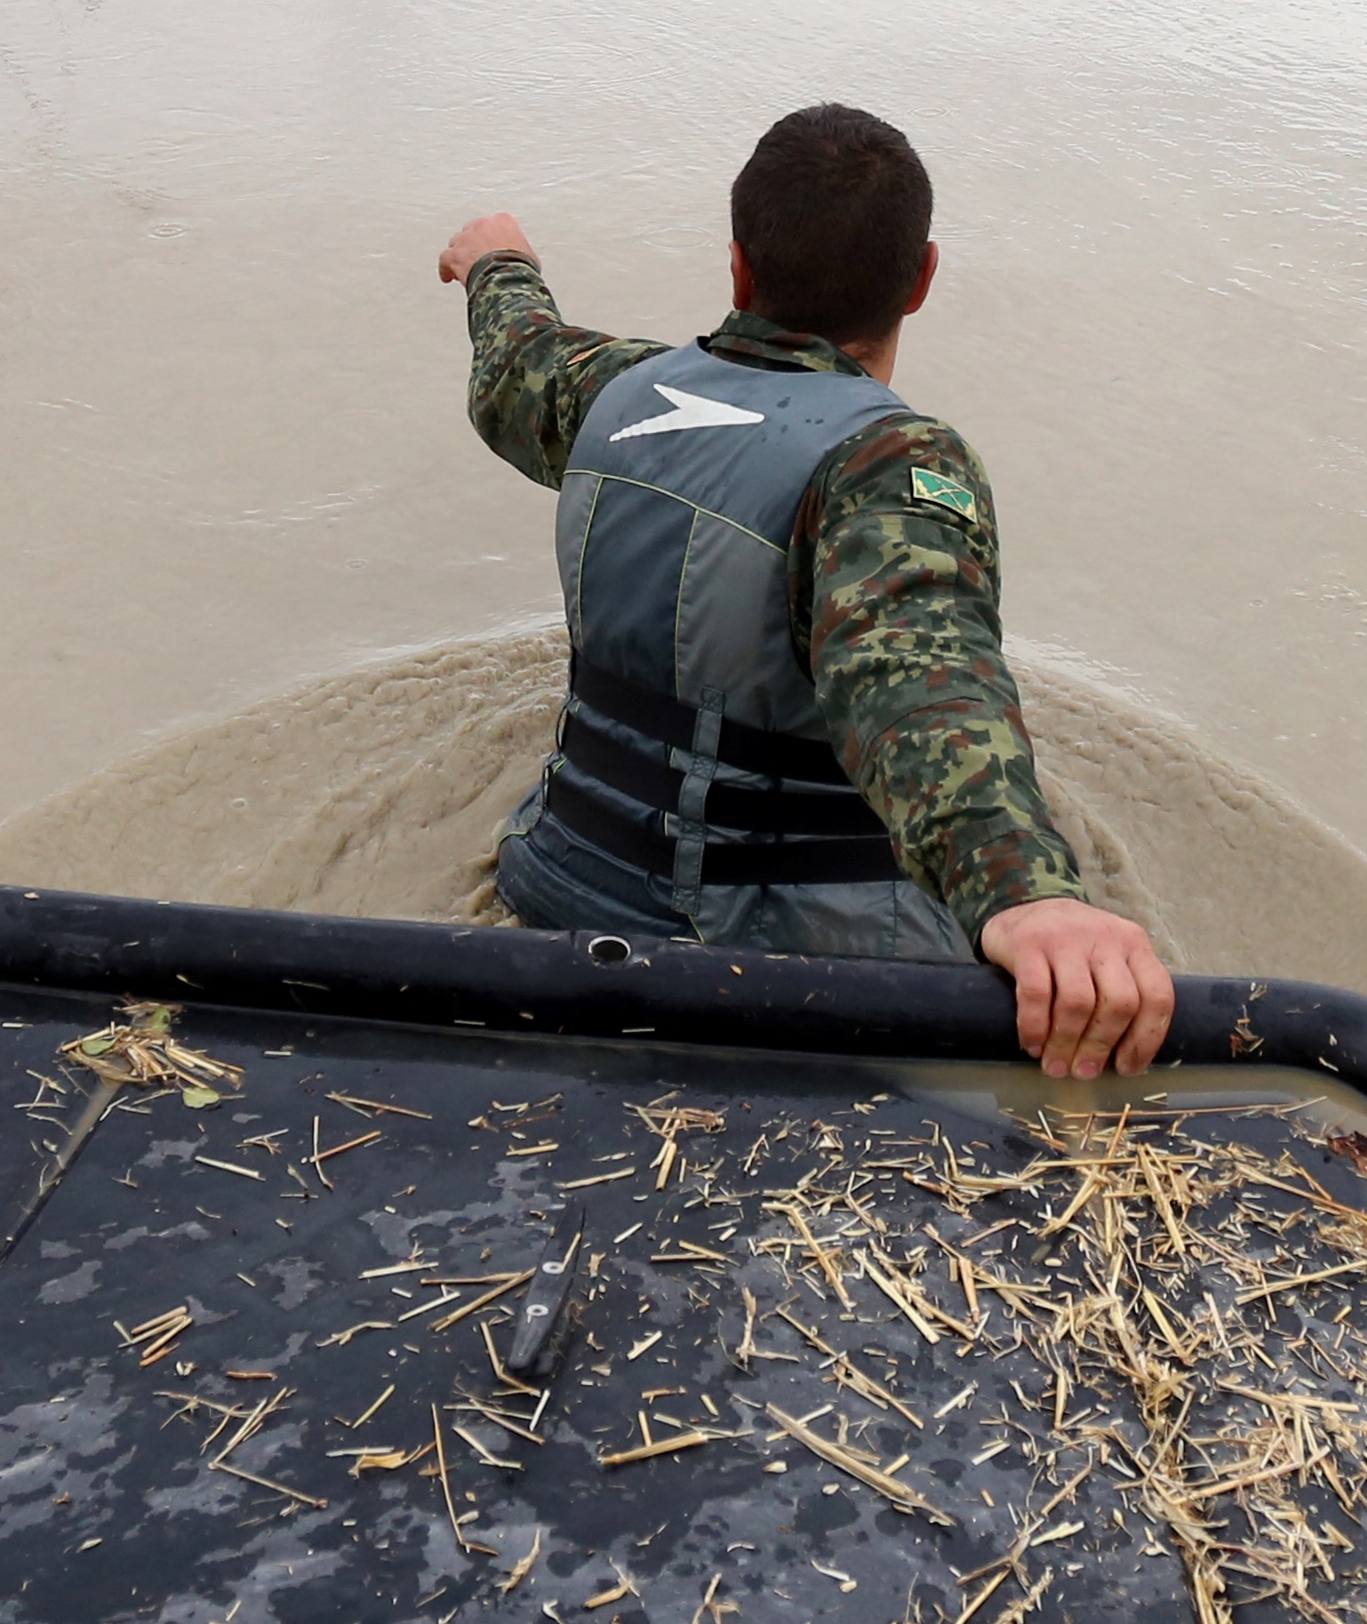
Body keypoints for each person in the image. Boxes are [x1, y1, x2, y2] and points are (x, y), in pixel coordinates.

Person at [438, 104, 1177, 1078]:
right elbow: (917, 677)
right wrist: (1026, 892)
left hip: (553, 894)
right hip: (781, 970)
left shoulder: (613, 396)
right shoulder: (888, 461)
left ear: (739, 265)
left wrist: (500, 263)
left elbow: (516, 362)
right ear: (919, 280)